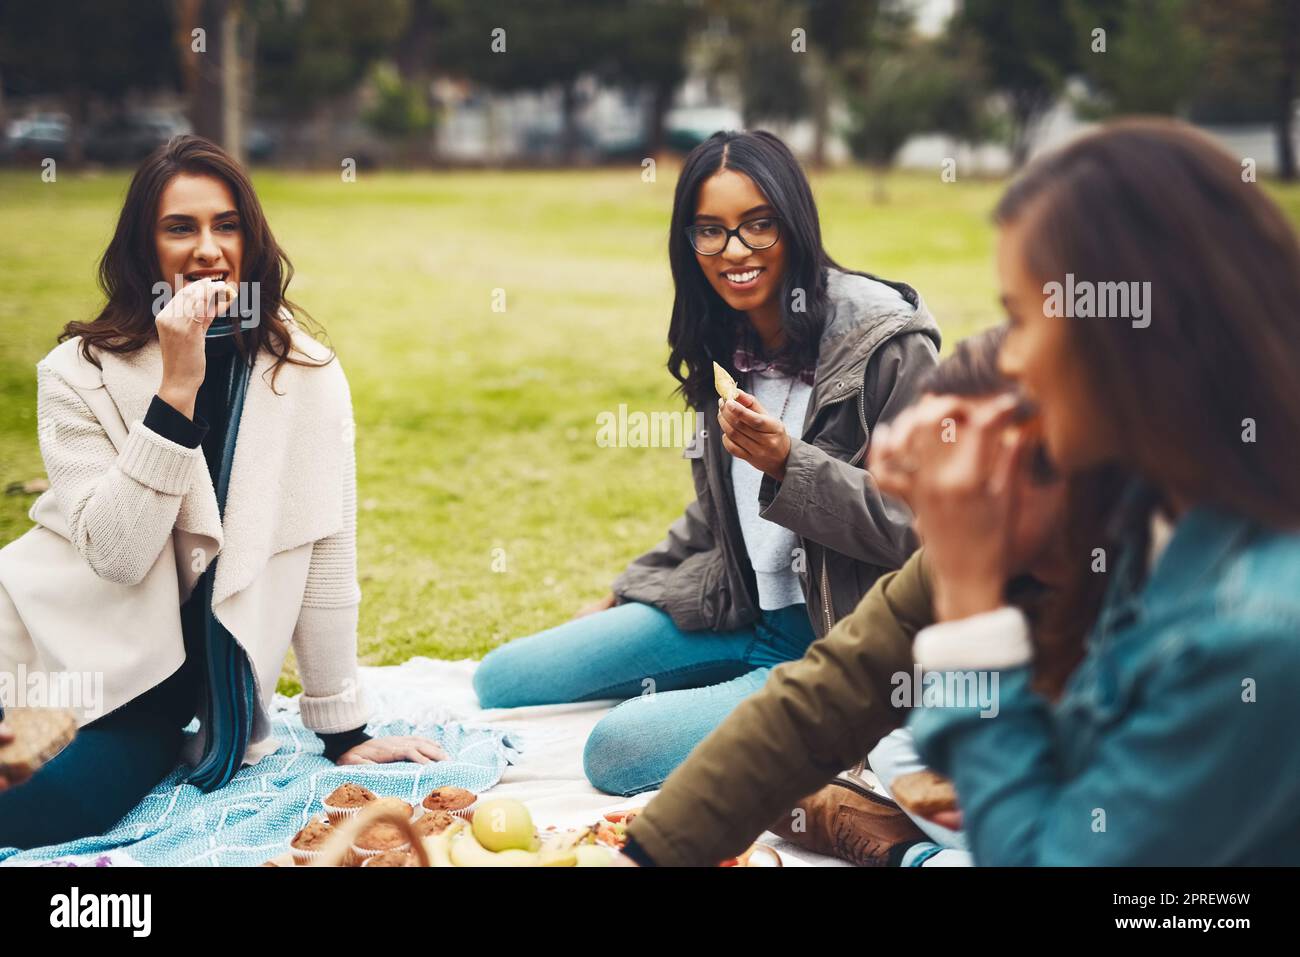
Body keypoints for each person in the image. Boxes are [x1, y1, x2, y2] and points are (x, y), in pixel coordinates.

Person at [0, 136, 444, 850]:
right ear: (145, 248)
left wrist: (343, 728)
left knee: (52, 810)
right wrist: (177, 388)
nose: (208, 248)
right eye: (181, 227)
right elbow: (117, 553)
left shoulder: (308, 374)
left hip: (157, 689)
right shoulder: (76, 373)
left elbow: (328, 556)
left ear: (251, 241)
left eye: (226, 224)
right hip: (49, 635)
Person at [876, 118, 1300, 865]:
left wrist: (971, 593)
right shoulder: (1159, 509)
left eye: (1017, 317)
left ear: (1130, 336)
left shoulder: (1253, 632)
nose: (1008, 359)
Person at [474, 130, 940, 795]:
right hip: (738, 609)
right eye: (711, 231)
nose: (735, 252)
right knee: (501, 678)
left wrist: (791, 465)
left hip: (842, 645)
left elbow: (923, 527)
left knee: (617, 751)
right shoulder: (727, 333)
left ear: (794, 223)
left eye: (758, 225)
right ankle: (722, 685)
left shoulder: (888, 346)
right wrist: (630, 586)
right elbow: (717, 508)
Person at [620, 328, 1120, 865]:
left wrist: (970, 599)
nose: (925, 527)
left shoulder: (1186, 601)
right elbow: (829, 695)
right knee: (895, 736)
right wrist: (647, 855)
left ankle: (904, 853)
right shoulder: (983, 545)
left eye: (949, 493)